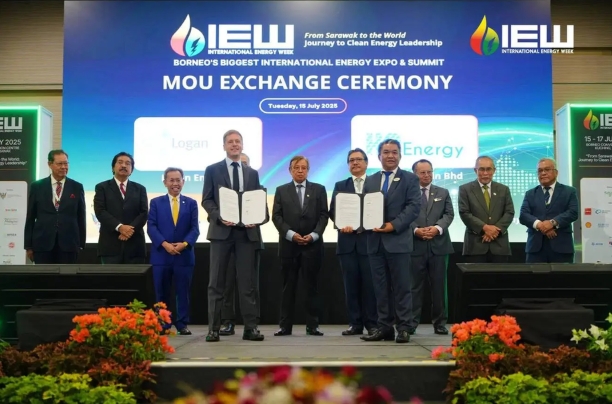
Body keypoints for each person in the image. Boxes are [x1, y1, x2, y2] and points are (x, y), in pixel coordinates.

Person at [202, 130, 266, 342]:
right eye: (230, 142)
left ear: (242, 145)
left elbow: (256, 200)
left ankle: (250, 328)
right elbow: (207, 200)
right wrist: (219, 216)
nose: (234, 144)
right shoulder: (212, 170)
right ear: (224, 146)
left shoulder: (252, 173)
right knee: (216, 283)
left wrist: (256, 217)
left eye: (238, 141)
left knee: (248, 284)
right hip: (221, 233)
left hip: (246, 234)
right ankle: (214, 329)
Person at [360, 139, 421, 344]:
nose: (390, 156)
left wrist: (393, 225)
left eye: (394, 152)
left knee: (402, 287)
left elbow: (413, 207)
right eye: (386, 152)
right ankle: (384, 328)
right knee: (380, 288)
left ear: (400, 155)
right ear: (379, 156)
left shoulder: (410, 179)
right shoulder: (370, 180)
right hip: (375, 242)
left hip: (398, 241)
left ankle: (404, 328)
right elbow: (364, 207)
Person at [272, 156, 329, 336]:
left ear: (308, 170)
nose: (300, 171)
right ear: (290, 170)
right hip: (289, 247)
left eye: (304, 167)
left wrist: (313, 235)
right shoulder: (281, 190)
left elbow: (324, 216)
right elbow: (276, 217)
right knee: (288, 288)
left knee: (312, 287)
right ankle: (285, 326)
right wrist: (291, 235)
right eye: (296, 167)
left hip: (312, 246)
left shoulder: (319, 189)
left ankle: (313, 325)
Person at [329, 148, 377, 336]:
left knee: (370, 286)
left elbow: (380, 209)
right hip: (347, 243)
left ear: (366, 163)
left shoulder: (375, 183)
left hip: (370, 242)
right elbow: (333, 211)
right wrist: (342, 224)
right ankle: (355, 323)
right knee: (351, 286)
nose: (355, 163)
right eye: (351, 160)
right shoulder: (341, 185)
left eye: (358, 159)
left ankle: (372, 324)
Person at [147, 167, 200, 335]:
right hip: (161, 255)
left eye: (178, 180)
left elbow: (195, 229)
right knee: (161, 291)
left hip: (184, 256)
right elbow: (151, 227)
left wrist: (184, 244)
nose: (175, 183)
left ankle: (182, 324)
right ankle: (162, 324)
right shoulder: (156, 202)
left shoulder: (191, 203)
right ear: (165, 182)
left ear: (183, 182)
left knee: (182, 292)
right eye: (171, 180)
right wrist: (165, 244)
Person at [220, 152, 265, 336]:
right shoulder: (225, 193)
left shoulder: (258, 189)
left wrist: (256, 219)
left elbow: (265, 215)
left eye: (245, 165)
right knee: (227, 283)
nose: (241, 168)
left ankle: (251, 324)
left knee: (249, 285)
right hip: (227, 239)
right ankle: (228, 322)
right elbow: (212, 214)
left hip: (250, 240)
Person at [409, 159, 454, 336]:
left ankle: (440, 323)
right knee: (414, 287)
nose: (427, 175)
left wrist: (437, 228)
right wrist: (416, 230)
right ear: (414, 174)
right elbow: (404, 215)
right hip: (415, 246)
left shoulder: (443, 192)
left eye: (429, 172)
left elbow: (449, 214)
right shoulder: (408, 194)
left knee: (439, 287)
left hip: (439, 246)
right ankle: (411, 323)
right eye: (423, 172)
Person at [24, 149, 86, 264]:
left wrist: (81, 244)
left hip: (69, 245)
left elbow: (81, 217)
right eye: (59, 164)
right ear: (50, 164)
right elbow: (30, 217)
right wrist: (28, 246)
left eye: (66, 163)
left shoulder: (77, 187)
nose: (63, 167)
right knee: (43, 275)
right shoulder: (37, 187)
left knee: (67, 275)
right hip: (42, 244)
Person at [519, 158, 578, 263]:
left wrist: (552, 223)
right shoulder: (530, 193)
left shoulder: (569, 191)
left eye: (547, 169)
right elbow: (523, 215)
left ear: (556, 172)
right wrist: (540, 225)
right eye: (540, 171)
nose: (543, 173)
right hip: (535, 249)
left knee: (563, 274)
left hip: (562, 247)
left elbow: (573, 212)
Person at [93, 152, 148, 264]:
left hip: (135, 246)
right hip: (110, 246)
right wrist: (120, 227)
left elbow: (144, 213)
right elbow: (100, 211)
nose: (124, 165)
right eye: (120, 162)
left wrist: (129, 230)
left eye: (128, 163)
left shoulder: (140, 189)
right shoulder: (102, 187)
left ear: (132, 169)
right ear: (113, 167)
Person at [458, 156, 514, 263]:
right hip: (475, 246)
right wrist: (485, 228)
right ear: (475, 170)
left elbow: (509, 212)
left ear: (494, 170)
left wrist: (495, 231)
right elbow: (464, 213)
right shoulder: (465, 189)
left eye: (488, 169)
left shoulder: (503, 189)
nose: (485, 173)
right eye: (481, 169)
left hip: (499, 246)